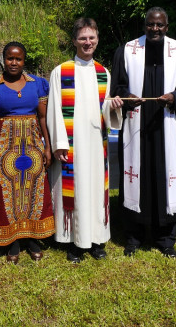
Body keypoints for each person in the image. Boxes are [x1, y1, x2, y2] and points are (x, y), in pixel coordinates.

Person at [110, 7, 176, 258]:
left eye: (160, 25)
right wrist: (127, 97)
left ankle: (166, 238)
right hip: (135, 125)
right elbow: (115, 86)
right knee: (135, 176)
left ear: (167, 26)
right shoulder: (127, 51)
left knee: (166, 176)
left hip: (167, 124)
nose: (155, 29)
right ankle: (133, 237)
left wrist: (175, 97)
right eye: (151, 24)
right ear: (144, 25)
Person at [47, 18, 122, 263]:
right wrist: (59, 143)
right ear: (74, 41)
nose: (87, 42)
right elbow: (55, 109)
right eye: (82, 38)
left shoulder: (103, 72)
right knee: (76, 189)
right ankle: (75, 242)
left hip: (95, 143)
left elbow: (103, 110)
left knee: (95, 190)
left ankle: (97, 239)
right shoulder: (61, 71)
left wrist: (113, 106)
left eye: (91, 38)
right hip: (72, 144)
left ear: (97, 39)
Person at [0, 42, 55, 264]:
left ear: (24, 60)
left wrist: (47, 147)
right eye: (10, 58)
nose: (14, 62)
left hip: (33, 146)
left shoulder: (37, 84)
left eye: (18, 59)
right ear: (4, 59)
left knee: (33, 190)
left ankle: (32, 239)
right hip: (3, 147)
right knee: (7, 191)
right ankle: (12, 241)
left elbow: (42, 118)